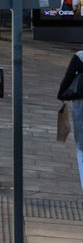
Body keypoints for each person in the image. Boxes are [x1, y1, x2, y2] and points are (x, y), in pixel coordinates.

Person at [59, 50, 83, 190]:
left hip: (80, 104)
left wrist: (62, 94)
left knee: (81, 147)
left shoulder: (79, 57)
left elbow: (68, 77)